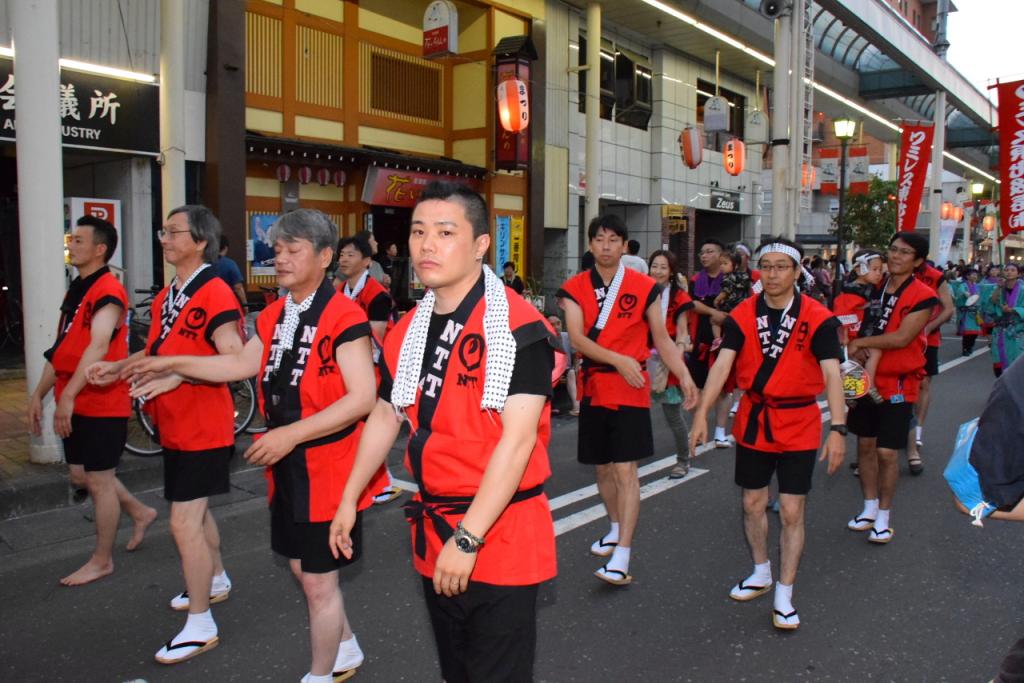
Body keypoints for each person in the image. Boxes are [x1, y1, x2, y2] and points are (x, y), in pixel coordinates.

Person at [125, 209, 383, 682]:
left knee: (320, 583)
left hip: (329, 468)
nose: (279, 258)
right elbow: (239, 365)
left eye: (293, 250)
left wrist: (290, 434)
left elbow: (363, 397)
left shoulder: (345, 314)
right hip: (287, 463)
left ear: (325, 257)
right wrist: (171, 366)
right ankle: (344, 645)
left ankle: (320, 674)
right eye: (277, 249)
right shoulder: (275, 313)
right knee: (305, 571)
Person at [330, 182, 559, 682]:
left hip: (498, 532)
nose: (426, 244)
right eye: (418, 232)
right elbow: (387, 414)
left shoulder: (520, 328)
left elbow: (517, 443)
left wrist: (469, 539)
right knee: (456, 671)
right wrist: (349, 497)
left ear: (480, 244)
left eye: (445, 232)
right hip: (435, 528)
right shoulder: (409, 327)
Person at [87, 205, 243, 664]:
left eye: (174, 232)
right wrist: (118, 367)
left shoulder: (215, 293)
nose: (164, 239)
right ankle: (214, 579)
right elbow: (156, 351)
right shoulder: (166, 296)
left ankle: (200, 622)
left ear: (200, 242)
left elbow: (232, 359)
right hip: (175, 424)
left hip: (205, 425)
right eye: (163, 231)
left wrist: (181, 375)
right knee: (195, 513)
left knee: (183, 522)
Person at [690, 236, 846, 631]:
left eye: (781, 267)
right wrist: (703, 414)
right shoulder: (743, 314)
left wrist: (839, 429)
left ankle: (784, 593)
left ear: (796, 272)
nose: (773, 274)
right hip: (756, 419)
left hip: (800, 423)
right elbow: (723, 367)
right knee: (752, 504)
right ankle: (760, 570)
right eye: (767, 266)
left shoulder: (819, 317)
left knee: (793, 510)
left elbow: (832, 375)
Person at [558, 214, 698, 585]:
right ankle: (615, 526)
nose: (605, 246)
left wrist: (684, 375)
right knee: (602, 468)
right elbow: (577, 338)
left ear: (624, 246)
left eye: (613, 240)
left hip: (630, 388)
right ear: (590, 245)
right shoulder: (574, 287)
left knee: (625, 470)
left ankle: (623, 553)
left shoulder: (644, 286)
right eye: (599, 240)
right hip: (595, 386)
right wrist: (618, 359)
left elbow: (662, 339)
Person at [28, 215, 157, 587]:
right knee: (80, 474)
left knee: (99, 480)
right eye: (72, 240)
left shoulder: (108, 290)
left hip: (101, 399)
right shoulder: (77, 289)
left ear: (100, 249)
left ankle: (102, 560)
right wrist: (39, 394)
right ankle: (139, 510)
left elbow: (98, 346)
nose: (72, 246)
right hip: (75, 395)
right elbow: (63, 349)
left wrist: (66, 397)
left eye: (79, 241)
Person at [845, 232, 938, 545]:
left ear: (918, 261)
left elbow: (902, 338)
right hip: (863, 377)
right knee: (865, 446)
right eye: (893, 250)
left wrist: (861, 342)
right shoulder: (876, 284)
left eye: (905, 252)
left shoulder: (924, 295)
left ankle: (884, 516)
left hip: (898, 383)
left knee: (887, 452)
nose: (896, 256)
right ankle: (869, 507)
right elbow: (851, 311)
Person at [337, 234, 401, 505]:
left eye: (350, 254)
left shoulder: (377, 294)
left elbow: (374, 336)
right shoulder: (339, 291)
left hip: (372, 366)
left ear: (366, 261)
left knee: (369, 425)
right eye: (341, 254)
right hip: (347, 364)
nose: (343, 259)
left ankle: (380, 482)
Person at [647, 249, 695, 479]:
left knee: (673, 415)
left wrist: (676, 363)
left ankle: (683, 460)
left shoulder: (679, 298)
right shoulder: (641, 291)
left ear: (671, 271)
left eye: (663, 267)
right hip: (641, 360)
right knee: (632, 412)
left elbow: (683, 333)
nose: (657, 271)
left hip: (668, 361)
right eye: (654, 266)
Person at [906, 256, 955, 473]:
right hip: (902, 337)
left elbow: (948, 309)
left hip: (928, 340)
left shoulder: (936, 277)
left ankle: (917, 431)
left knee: (923, 383)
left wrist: (928, 328)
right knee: (903, 384)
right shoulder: (896, 273)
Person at [687, 238, 732, 448]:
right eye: (702, 252)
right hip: (701, 339)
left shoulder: (731, 279)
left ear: (721, 255)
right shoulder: (696, 280)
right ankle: (699, 426)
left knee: (723, 388)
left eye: (710, 251)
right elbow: (692, 304)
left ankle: (720, 432)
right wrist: (713, 311)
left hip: (727, 340)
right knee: (699, 387)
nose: (704, 255)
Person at [981, 262, 1024, 378]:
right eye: (1007, 270)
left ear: (1018, 274)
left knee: (1016, 364)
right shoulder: (998, 288)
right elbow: (990, 305)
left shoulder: (1023, 290)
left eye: (1013, 270)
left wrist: (1013, 310)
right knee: (998, 363)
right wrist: (999, 288)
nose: (1009, 272)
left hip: (1017, 332)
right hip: (1000, 331)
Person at [951, 268, 983, 356]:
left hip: (975, 312)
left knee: (975, 333)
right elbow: (958, 295)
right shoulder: (963, 285)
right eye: (973, 274)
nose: (975, 276)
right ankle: (965, 348)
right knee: (967, 333)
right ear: (967, 276)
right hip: (966, 313)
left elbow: (981, 298)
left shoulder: (977, 286)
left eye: (976, 275)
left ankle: (970, 346)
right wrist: (964, 293)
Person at [212, 235, 247, 310]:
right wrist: (245, 305)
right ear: (225, 248)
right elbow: (238, 287)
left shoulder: (204, 263)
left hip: (209, 303)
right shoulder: (230, 264)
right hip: (227, 304)